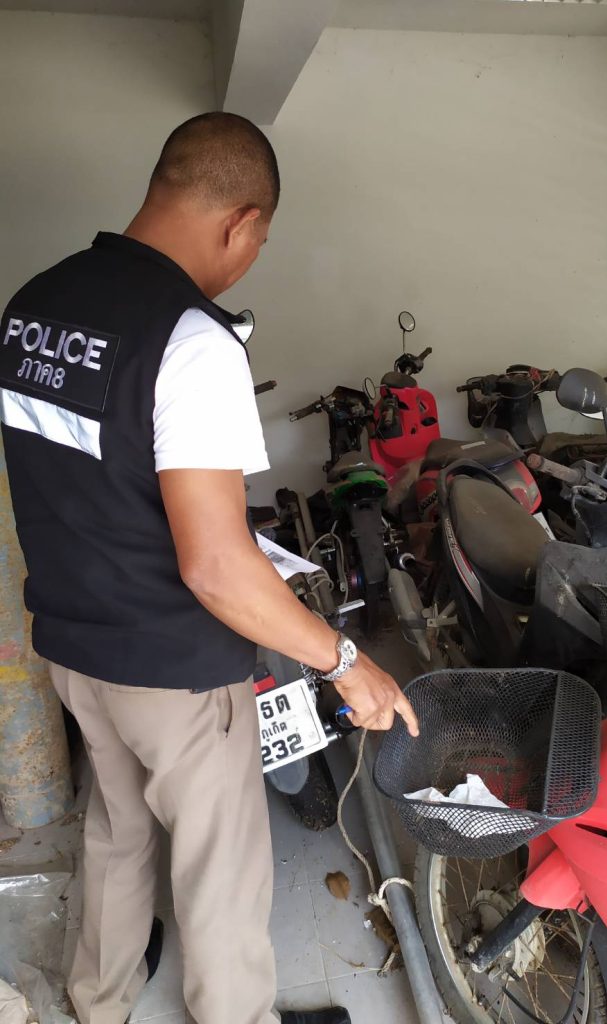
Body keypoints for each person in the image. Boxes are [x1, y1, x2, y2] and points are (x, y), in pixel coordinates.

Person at [0, 112, 419, 1024]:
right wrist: (347, 662)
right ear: (242, 222)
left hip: (71, 643)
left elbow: (90, 480)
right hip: (175, 673)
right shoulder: (191, 340)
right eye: (260, 242)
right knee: (221, 870)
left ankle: (97, 997)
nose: (251, 258)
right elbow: (217, 569)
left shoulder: (34, 306)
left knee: (116, 826)